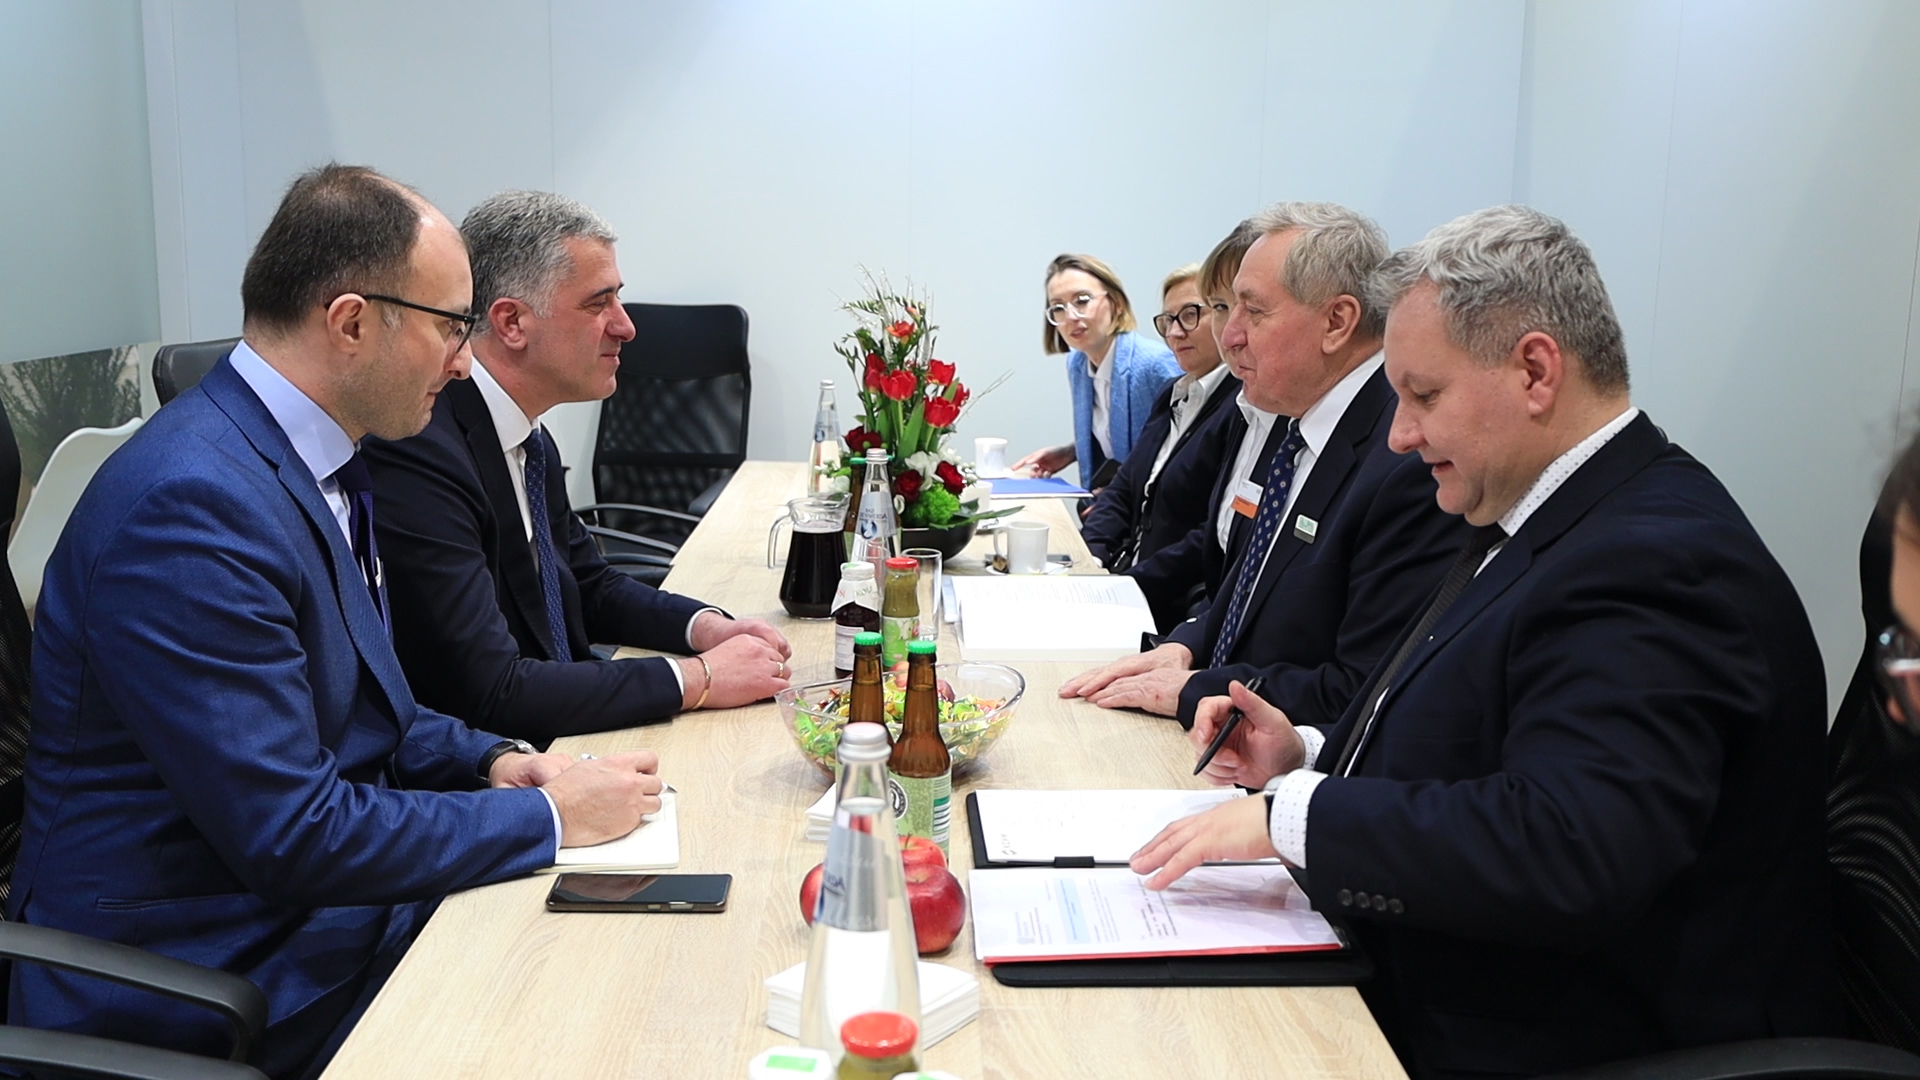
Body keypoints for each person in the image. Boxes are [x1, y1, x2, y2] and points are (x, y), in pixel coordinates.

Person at [1133, 205, 1837, 1078]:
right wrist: (1305, 750)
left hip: (1560, 1033)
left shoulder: (1656, 560)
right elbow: (1480, 735)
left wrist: (1295, 817)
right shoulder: (1543, 510)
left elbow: (1567, 847)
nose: (1399, 434)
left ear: (1535, 371)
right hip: (1450, 973)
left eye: (1424, 396)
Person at [6, 164, 662, 1079]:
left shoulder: (318, 460)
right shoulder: (190, 508)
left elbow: (366, 704)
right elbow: (294, 834)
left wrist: (496, 762)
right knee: (579, 1013)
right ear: (352, 322)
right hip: (201, 978)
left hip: (305, 921)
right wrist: (548, 818)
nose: (464, 362)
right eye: (451, 326)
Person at [362, 190, 791, 744]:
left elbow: (588, 584)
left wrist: (706, 628)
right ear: (511, 322)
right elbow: (490, 690)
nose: (626, 326)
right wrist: (699, 678)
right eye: (598, 303)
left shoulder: (527, 437)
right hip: (498, 761)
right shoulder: (419, 448)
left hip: (564, 727)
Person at [1061, 202, 1467, 725]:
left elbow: (1363, 687)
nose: (1228, 335)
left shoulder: (1405, 458)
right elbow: (1249, 589)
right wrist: (1184, 646)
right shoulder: (1293, 418)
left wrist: (1194, 688)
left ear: (1337, 322)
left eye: (1252, 312)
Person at [1078, 260, 1239, 572]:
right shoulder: (1172, 393)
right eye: (1168, 320)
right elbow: (1124, 487)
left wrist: (1133, 581)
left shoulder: (1241, 407)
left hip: (1168, 589)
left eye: (1190, 315)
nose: (1175, 333)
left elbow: (1213, 534)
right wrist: (1092, 556)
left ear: (1226, 316)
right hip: (1125, 573)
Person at [1012, 254, 1180, 484]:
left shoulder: (1155, 364)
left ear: (1116, 304)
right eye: (1058, 307)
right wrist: (1071, 452)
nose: (1070, 316)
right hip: (1105, 499)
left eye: (1082, 300)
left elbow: (1187, 449)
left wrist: (1124, 495)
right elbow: (1112, 436)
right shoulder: (1077, 364)